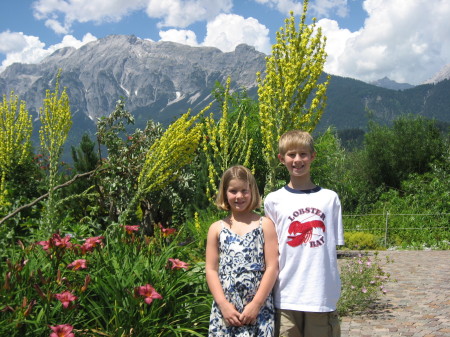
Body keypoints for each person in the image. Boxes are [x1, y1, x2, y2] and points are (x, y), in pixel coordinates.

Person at [264, 130, 344, 337]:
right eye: (291, 155)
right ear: (281, 159)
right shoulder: (273, 200)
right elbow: (272, 250)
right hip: (285, 295)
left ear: (312, 157)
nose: (297, 160)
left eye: (303, 154)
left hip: (321, 296)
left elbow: (331, 247)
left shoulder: (330, 199)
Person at [206, 165, 279, 336]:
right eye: (233, 191)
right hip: (226, 313)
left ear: (252, 191)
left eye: (244, 191)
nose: (239, 196)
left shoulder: (265, 225)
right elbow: (210, 269)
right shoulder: (216, 229)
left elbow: (272, 267)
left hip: (258, 312)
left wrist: (256, 304)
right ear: (224, 193)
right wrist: (223, 305)